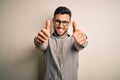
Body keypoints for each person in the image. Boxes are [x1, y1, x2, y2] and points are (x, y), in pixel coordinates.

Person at [34, 6, 88, 80]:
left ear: (69, 23)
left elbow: (81, 45)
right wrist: (38, 40)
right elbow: (40, 45)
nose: (60, 25)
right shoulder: (47, 40)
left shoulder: (75, 40)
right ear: (53, 21)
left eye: (65, 22)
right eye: (57, 21)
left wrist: (83, 40)